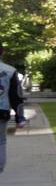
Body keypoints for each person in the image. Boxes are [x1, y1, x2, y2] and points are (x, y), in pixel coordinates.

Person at [0, 44, 25, 174]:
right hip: (2, 111)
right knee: (1, 141)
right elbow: (16, 97)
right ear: (2, 52)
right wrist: (20, 117)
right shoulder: (10, 70)